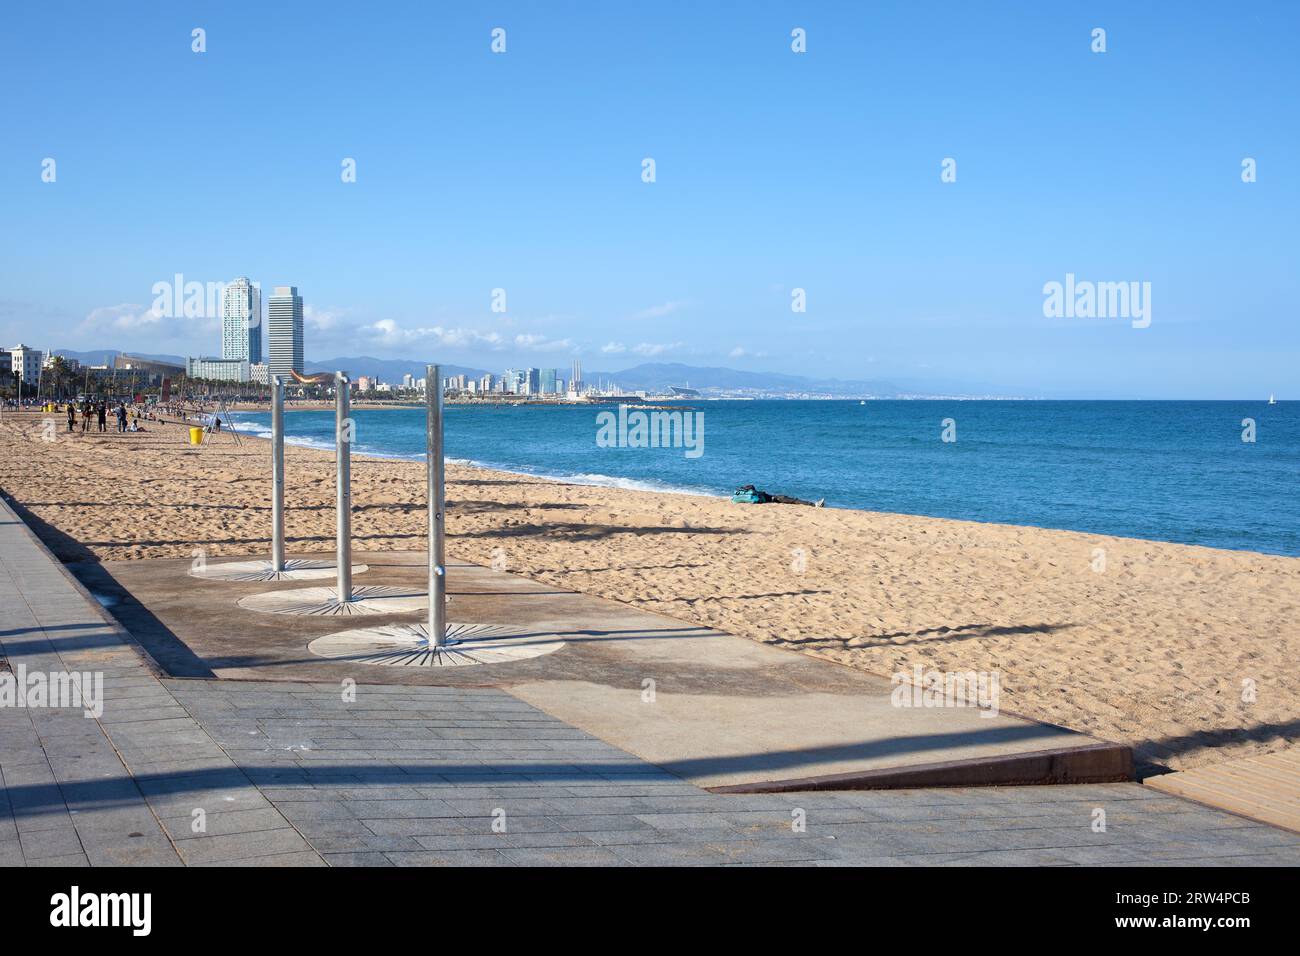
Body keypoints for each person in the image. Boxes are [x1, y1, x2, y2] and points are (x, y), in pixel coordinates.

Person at [731, 484, 824, 508]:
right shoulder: (757, 496)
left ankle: (814, 504)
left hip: (771, 499)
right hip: (774, 499)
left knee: (793, 500)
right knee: (794, 500)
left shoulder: (740, 496)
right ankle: (814, 505)